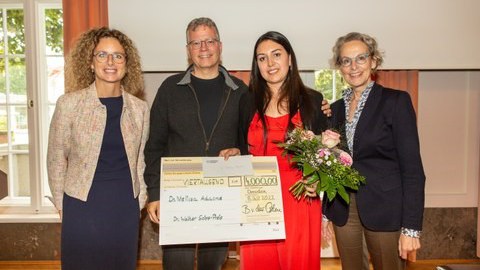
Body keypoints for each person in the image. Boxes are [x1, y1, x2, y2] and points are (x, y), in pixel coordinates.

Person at [143, 17, 248, 270]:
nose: (204, 48)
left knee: (213, 265)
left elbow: (251, 142)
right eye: (196, 42)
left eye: (209, 40)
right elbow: (154, 145)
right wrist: (155, 193)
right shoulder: (170, 89)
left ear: (220, 46)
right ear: (188, 49)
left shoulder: (241, 91)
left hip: (222, 194)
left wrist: (240, 151)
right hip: (178, 196)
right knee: (176, 264)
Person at [47, 27, 149, 270]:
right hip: (82, 205)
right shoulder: (69, 105)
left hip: (125, 205)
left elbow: (141, 159)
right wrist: (63, 206)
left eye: (118, 55)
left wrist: (140, 199)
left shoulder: (139, 108)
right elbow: (56, 159)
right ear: (90, 63)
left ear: (127, 63)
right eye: (102, 55)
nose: (110, 62)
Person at [322, 32, 425, 270]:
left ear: (374, 61)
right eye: (346, 61)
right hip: (344, 209)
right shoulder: (334, 109)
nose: (353, 66)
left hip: (385, 208)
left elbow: (413, 170)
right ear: (339, 66)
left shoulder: (396, 102)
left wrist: (411, 228)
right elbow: (331, 164)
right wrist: (326, 212)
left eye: (361, 58)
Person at [238, 31, 328, 270]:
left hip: (299, 200)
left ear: (290, 58)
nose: (270, 63)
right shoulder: (245, 102)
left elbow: (330, 153)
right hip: (257, 200)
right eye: (262, 58)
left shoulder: (314, 101)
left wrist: (317, 180)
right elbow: (237, 146)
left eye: (276, 54)